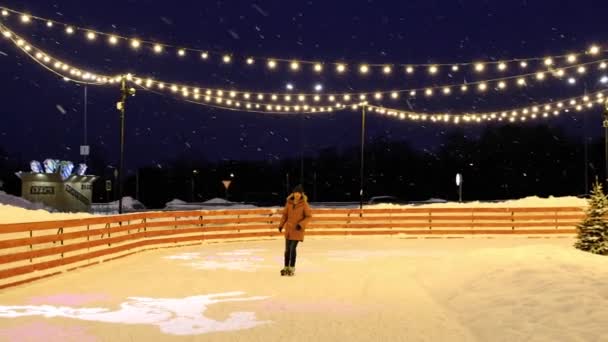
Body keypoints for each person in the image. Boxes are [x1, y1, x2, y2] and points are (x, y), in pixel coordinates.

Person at [278, 184, 312, 276]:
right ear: (293, 193)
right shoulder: (289, 203)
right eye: (295, 192)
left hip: (297, 230)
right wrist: (281, 225)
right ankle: (286, 267)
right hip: (289, 229)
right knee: (287, 250)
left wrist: (301, 224)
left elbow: (308, 217)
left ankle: (292, 267)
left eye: (299, 193)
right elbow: (285, 215)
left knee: (292, 249)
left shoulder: (304, 204)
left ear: (301, 194)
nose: (297, 194)